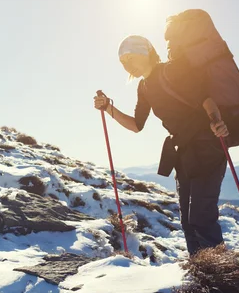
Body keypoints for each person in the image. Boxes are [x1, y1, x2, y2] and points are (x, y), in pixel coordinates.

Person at [94, 34, 229, 256]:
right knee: (187, 220)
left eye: (130, 58)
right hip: (183, 152)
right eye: (123, 62)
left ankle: (223, 274)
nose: (127, 65)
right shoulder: (144, 87)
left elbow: (204, 98)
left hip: (208, 146)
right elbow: (137, 125)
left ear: (145, 53)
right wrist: (108, 107)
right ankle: (201, 270)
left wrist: (216, 121)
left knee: (201, 217)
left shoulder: (172, 70)